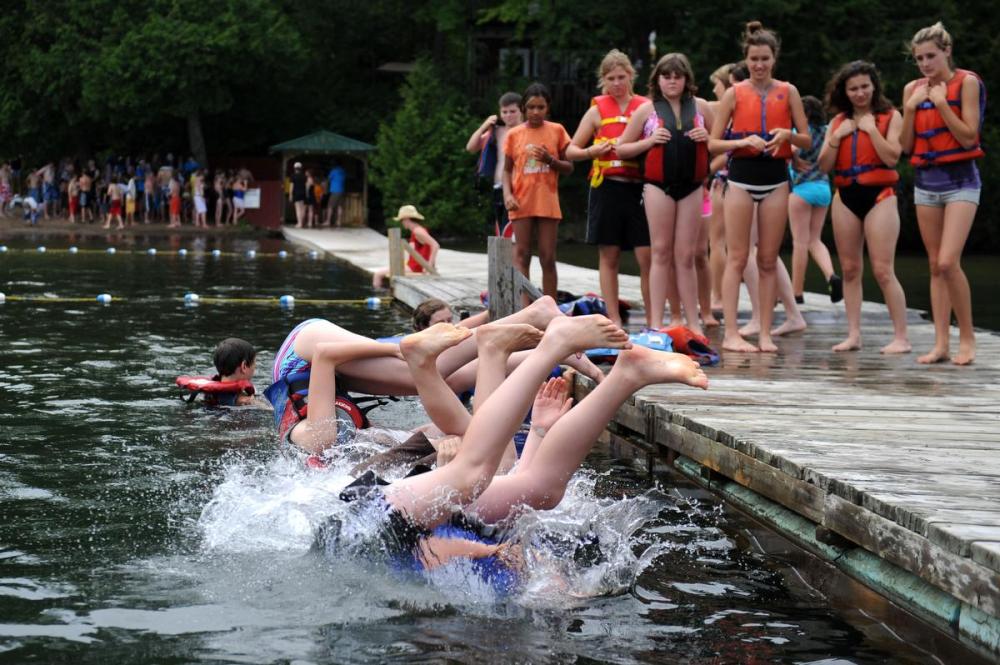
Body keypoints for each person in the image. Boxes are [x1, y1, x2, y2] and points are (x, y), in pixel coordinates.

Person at [314, 317, 709, 589]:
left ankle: (551, 345)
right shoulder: (489, 563)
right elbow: (524, 484)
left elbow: (435, 547)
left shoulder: (457, 557)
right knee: (541, 489)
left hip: (368, 524)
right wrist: (537, 430)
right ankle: (628, 374)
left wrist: (506, 554)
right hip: (401, 523)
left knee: (474, 471)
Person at [709, 21, 811, 353]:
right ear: (747, 58)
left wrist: (788, 136)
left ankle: (765, 333)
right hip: (740, 178)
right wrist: (741, 140)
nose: (759, 65)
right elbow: (712, 143)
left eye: (765, 58)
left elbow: (807, 139)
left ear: (774, 58)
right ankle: (732, 334)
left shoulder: (789, 91)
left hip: (776, 179)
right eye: (754, 59)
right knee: (737, 256)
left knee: (767, 259)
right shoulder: (733, 94)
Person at [901, 22, 984, 366]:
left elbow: (968, 137)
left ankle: (966, 339)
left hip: (962, 181)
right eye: (919, 58)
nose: (925, 64)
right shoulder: (912, 89)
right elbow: (906, 146)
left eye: (931, 56)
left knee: (950, 262)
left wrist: (940, 104)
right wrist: (910, 108)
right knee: (935, 266)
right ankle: (940, 344)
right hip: (926, 184)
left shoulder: (966, 82)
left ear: (947, 51)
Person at [818, 61, 911, 354]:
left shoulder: (890, 116)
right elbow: (824, 166)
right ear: (845, 91)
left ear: (874, 86)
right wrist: (835, 138)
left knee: (883, 270)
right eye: (854, 88)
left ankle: (901, 337)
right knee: (849, 269)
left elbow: (892, 158)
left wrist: (871, 130)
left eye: (865, 87)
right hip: (845, 195)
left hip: (880, 195)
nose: (860, 93)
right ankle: (853, 334)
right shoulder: (838, 122)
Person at [617, 53, 714, 334]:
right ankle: (656, 324)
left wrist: (708, 139)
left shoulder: (703, 108)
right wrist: (649, 141)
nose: (672, 81)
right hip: (657, 187)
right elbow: (622, 148)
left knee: (686, 255)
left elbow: (724, 144)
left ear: (686, 80)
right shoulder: (646, 111)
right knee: (660, 252)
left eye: (677, 76)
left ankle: (693, 323)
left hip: (692, 187)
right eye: (666, 76)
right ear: (657, 80)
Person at [565, 49, 651, 328]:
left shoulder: (645, 106)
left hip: (639, 187)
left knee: (646, 256)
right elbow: (570, 151)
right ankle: (612, 317)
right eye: (611, 78)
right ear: (603, 79)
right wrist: (593, 150)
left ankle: (653, 317)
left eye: (622, 77)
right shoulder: (596, 110)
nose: (617, 83)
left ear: (631, 76)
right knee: (609, 255)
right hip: (606, 187)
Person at [502, 83, 573, 303]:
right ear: (524, 108)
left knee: (548, 257)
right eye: (531, 107)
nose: (535, 112)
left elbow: (569, 167)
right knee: (522, 255)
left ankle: (549, 307)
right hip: (521, 201)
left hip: (548, 200)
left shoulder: (557, 131)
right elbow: (506, 170)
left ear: (547, 108)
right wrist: (507, 195)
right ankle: (526, 307)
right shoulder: (514, 134)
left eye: (540, 107)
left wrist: (550, 160)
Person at [788, 95, 840, 304]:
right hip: (824, 189)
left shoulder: (799, 133)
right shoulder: (828, 131)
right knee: (814, 240)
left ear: (805, 113)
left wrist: (793, 159)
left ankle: (796, 292)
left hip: (802, 189)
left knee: (799, 242)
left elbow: (789, 150)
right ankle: (831, 276)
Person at [466, 92, 523, 237]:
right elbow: (471, 147)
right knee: (501, 232)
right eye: (504, 112)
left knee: (514, 232)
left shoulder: (527, 130)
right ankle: (504, 259)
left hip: (519, 187)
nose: (508, 115)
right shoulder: (497, 132)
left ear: (521, 110)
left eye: (512, 111)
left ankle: (516, 259)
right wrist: (483, 126)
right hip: (498, 187)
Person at [371, 205, 440, 288]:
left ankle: (378, 297)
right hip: (414, 265)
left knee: (377, 274)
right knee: (386, 272)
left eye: (401, 220)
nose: (402, 223)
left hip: (415, 267)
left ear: (406, 219)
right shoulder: (416, 230)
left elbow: (435, 245)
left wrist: (429, 267)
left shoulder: (418, 231)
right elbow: (421, 250)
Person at [211, 338, 258, 407]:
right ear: (244, 366)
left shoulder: (207, 394)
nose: (255, 367)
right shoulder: (247, 402)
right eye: (254, 363)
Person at [324, 162, 347, 227]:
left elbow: (328, 180)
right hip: (342, 190)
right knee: (340, 207)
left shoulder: (333, 171)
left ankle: (328, 221)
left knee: (330, 206)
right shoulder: (343, 171)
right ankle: (339, 222)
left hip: (335, 191)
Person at [290, 162, 308, 228]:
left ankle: (299, 223)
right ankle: (302, 223)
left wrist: (290, 195)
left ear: (294, 168)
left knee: (298, 209)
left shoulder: (293, 176)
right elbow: (306, 186)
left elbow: (292, 186)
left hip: (296, 193)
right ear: (301, 168)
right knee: (303, 209)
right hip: (303, 193)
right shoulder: (304, 176)